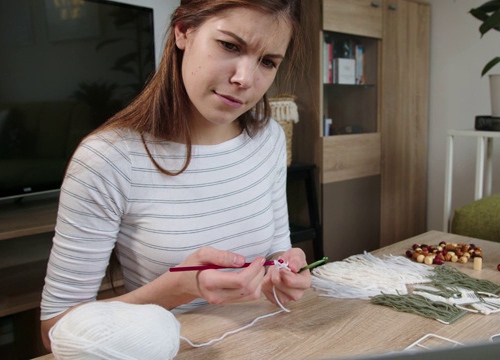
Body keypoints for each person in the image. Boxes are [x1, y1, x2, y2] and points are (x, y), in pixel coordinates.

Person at [40, 0, 309, 351]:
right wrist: (181, 288)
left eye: (267, 62)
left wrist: (285, 269)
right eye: (229, 46)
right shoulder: (107, 159)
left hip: (267, 344)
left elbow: (276, 249)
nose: (244, 79)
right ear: (183, 31)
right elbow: (54, 330)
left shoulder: (267, 138)